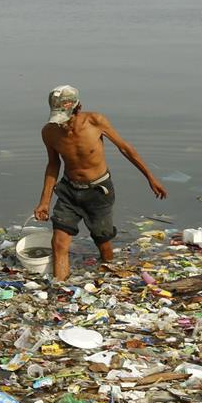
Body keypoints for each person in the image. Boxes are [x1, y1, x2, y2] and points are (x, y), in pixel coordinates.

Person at [33, 84, 167, 281]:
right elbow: (53, 165)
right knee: (59, 242)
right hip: (69, 190)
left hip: (98, 191)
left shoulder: (95, 121)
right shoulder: (49, 132)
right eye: (57, 117)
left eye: (65, 117)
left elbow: (125, 148)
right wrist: (44, 201)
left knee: (102, 240)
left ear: (77, 108)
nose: (62, 124)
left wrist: (150, 177)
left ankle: (109, 275)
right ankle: (59, 287)